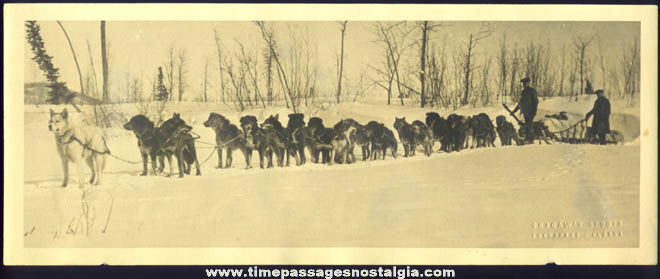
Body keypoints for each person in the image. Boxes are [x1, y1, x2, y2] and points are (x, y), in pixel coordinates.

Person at [511, 77, 539, 144]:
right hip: (525, 112)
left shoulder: (532, 91)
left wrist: (534, 111)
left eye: (525, 83)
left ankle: (530, 139)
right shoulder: (523, 92)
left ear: (528, 83)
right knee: (526, 125)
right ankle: (527, 138)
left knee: (529, 125)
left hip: (531, 111)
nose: (524, 85)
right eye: (523, 83)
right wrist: (514, 111)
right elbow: (520, 103)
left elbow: (535, 102)